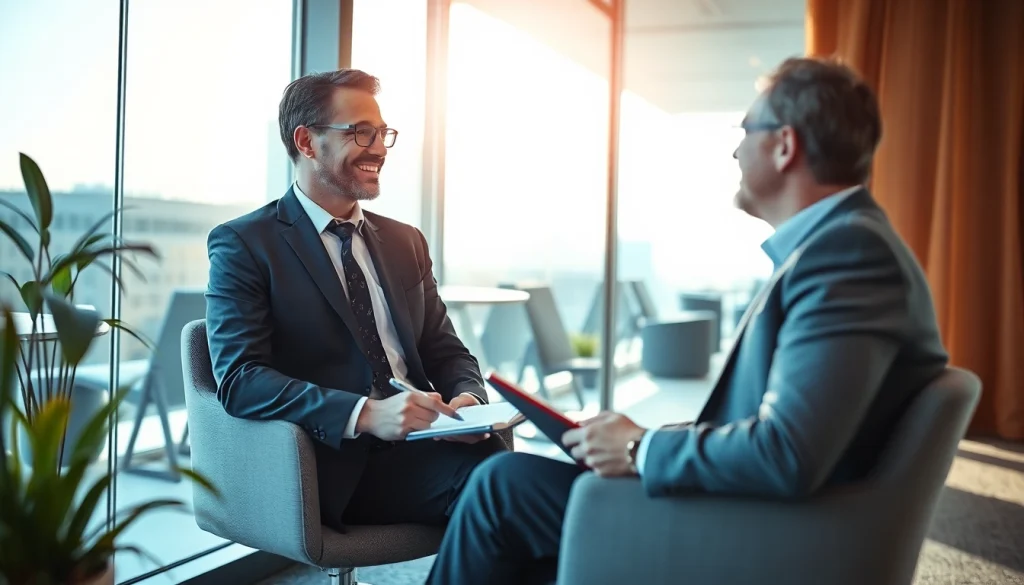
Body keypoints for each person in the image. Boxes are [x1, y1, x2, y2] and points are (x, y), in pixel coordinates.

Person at [425, 56, 950, 585]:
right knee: (519, 525)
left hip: (768, 534)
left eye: (746, 131)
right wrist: (638, 437)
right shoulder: (841, 245)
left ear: (785, 145)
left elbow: (789, 453)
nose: (736, 149)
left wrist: (638, 448)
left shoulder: (847, 257)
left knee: (503, 488)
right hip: (771, 512)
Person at [205, 69, 507, 532]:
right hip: (333, 463)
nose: (380, 148)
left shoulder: (405, 242)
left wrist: (469, 398)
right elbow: (241, 379)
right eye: (361, 133)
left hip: (429, 438)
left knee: (508, 475)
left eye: (383, 133)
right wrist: (367, 414)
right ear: (307, 142)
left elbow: (445, 349)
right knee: (503, 488)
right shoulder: (245, 244)